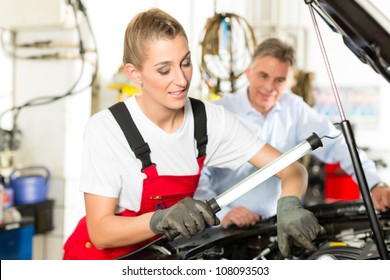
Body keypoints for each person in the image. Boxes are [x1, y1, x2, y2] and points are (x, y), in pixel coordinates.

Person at [62, 9, 323, 260]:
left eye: (185, 63)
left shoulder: (209, 121)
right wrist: (160, 219)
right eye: (165, 70)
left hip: (160, 258)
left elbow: (291, 169)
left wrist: (289, 204)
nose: (181, 79)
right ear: (134, 74)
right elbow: (100, 232)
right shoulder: (108, 129)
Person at [195, 37, 390, 229]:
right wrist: (223, 213)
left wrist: (374, 184)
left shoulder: (294, 109)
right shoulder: (219, 113)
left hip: (275, 225)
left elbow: (339, 145)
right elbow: (197, 175)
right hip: (223, 229)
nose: (269, 87)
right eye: (263, 76)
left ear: (290, 81)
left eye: (279, 80)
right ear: (249, 72)